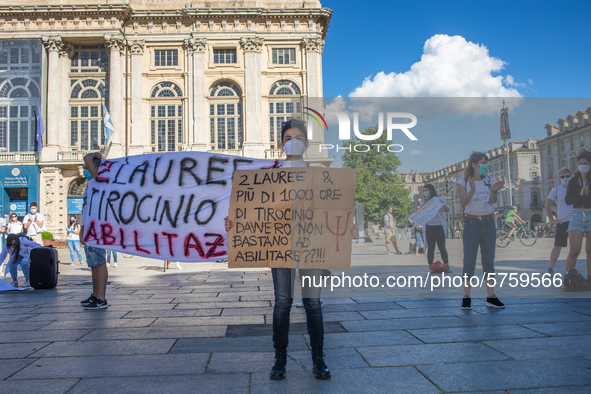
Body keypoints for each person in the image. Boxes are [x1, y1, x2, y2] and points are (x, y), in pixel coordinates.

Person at [225, 119, 331, 381]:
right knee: (283, 302)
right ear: (281, 144)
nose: (292, 141)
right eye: (287, 137)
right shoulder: (268, 177)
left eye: (297, 137)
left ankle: (319, 358)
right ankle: (280, 359)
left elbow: (330, 212)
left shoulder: (320, 176)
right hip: (279, 245)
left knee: (312, 303)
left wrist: (344, 230)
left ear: (306, 143)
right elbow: (254, 211)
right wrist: (236, 223)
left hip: (310, 246)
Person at [456, 152, 505, 309]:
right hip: (471, 222)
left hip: (488, 222)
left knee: (488, 261)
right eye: (483, 162)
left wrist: (495, 191)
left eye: (487, 162)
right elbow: (463, 203)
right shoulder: (462, 181)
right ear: (474, 165)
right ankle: (467, 296)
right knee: (469, 261)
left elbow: (491, 202)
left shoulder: (491, 180)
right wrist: (472, 189)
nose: (486, 166)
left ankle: (491, 296)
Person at [80, 153, 109, 309]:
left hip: (97, 227)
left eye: (87, 167)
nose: (85, 169)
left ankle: (102, 298)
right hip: (88, 228)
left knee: (100, 262)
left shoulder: (100, 180)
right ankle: (95, 294)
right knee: (93, 263)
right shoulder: (90, 184)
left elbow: (87, 157)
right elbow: (84, 209)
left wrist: (97, 156)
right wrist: (82, 230)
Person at [563, 150, 591, 291]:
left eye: (586, 163)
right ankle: (567, 277)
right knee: (574, 249)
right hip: (577, 215)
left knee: (589, 249)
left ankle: (590, 279)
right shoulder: (574, 181)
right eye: (580, 163)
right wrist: (580, 195)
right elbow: (568, 200)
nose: (583, 166)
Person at [545, 167, 573, 276]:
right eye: (562, 177)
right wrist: (552, 219)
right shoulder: (556, 190)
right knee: (557, 245)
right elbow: (547, 205)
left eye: (567, 176)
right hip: (563, 221)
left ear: (571, 176)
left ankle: (571, 269)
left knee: (575, 246)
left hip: (576, 220)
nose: (565, 178)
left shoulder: (576, 188)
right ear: (559, 178)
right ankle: (550, 268)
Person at [422, 184, 451, 272]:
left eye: (426, 190)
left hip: (439, 225)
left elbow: (447, 211)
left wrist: (443, 205)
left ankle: (446, 264)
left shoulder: (440, 199)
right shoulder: (425, 201)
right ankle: (430, 265)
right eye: (424, 190)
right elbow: (422, 212)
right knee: (430, 247)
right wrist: (425, 201)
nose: (425, 192)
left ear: (431, 190)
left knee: (441, 246)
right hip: (429, 226)